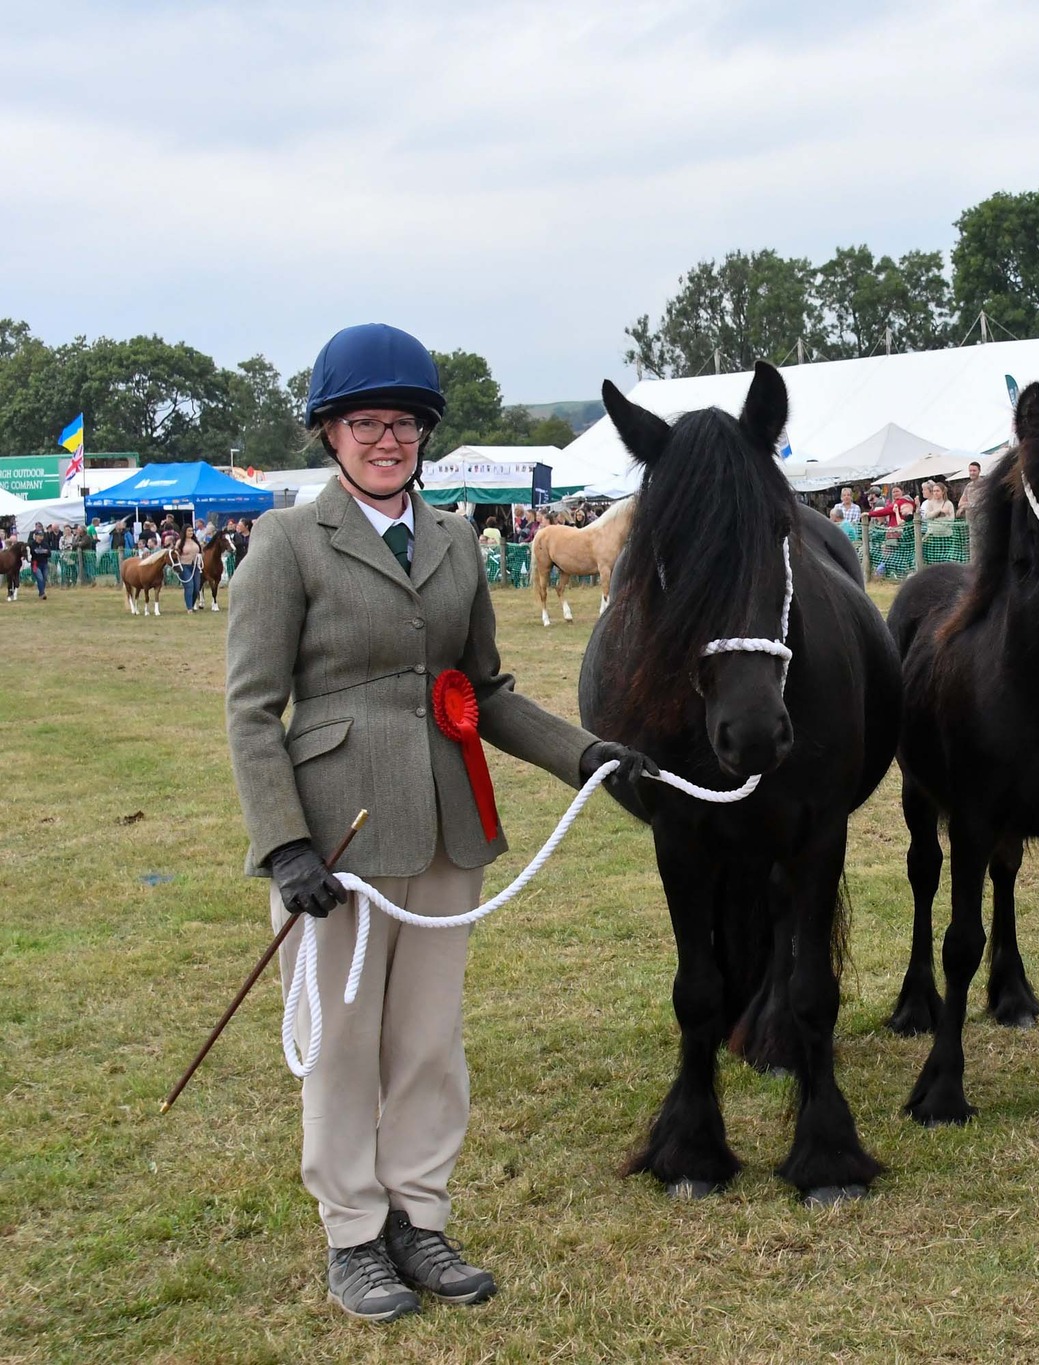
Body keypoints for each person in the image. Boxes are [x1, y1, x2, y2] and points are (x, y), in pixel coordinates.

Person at [225, 323, 655, 1323]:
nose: (388, 438)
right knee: (340, 1044)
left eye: (405, 421)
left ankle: (418, 1215)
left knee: (426, 1039)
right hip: (335, 838)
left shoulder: (458, 540)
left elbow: (488, 691)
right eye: (366, 421)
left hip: (448, 824)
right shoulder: (287, 543)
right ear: (331, 433)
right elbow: (251, 711)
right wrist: (285, 845)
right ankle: (352, 1234)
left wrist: (584, 756)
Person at [176, 526, 204, 612]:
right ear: (184, 531)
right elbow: (176, 554)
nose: (191, 532)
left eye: (192, 531)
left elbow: (200, 551)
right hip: (184, 565)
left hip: (196, 566)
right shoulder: (180, 542)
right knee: (189, 586)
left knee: (196, 587)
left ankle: (191, 604)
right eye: (189, 531)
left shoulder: (195, 541)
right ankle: (189, 608)